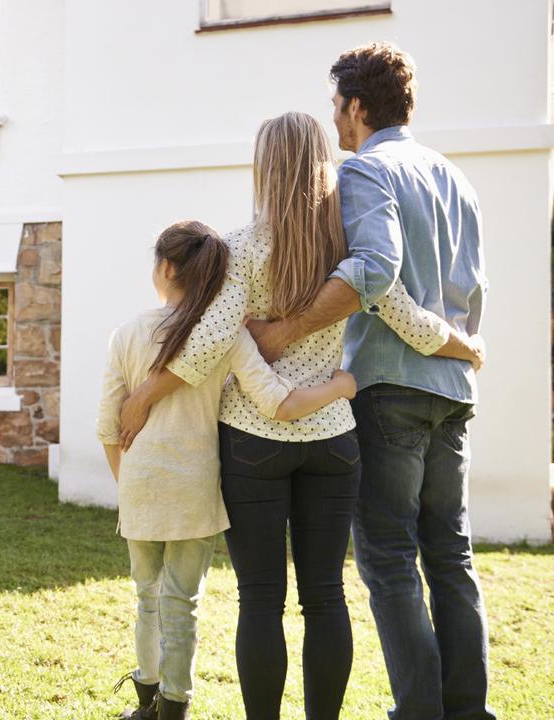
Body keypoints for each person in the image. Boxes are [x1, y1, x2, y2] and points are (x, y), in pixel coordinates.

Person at [113, 111, 478, 719]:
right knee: (327, 598)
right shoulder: (348, 252)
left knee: (261, 600)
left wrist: (144, 394)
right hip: (334, 441)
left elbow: (207, 344)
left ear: (265, 169)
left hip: (254, 443)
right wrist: (467, 347)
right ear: (321, 167)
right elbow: (410, 320)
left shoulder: (242, 247)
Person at [248, 43, 492, 720]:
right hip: (453, 389)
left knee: (388, 556)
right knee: (450, 554)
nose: (333, 118)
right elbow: (472, 294)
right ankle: (468, 711)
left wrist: (286, 330)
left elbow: (376, 275)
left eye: (336, 105)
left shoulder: (363, 172)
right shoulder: (456, 179)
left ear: (357, 106)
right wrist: (464, 349)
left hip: (388, 387)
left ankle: (418, 712)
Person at [96, 220, 359, 720]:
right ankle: (175, 704)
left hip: (141, 487)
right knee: (182, 600)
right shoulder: (227, 338)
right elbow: (278, 402)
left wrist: (128, 484)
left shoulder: (126, 334)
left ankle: (146, 697)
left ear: (166, 268)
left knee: (147, 596)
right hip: (197, 490)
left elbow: (109, 426)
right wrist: (340, 388)